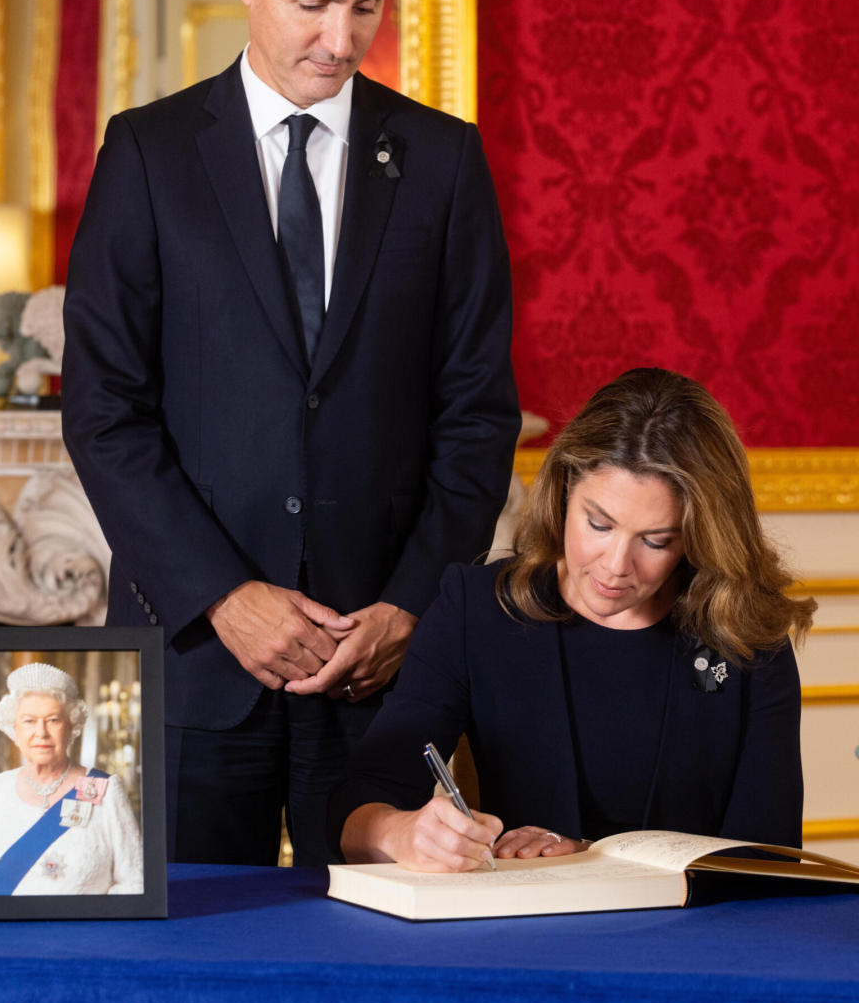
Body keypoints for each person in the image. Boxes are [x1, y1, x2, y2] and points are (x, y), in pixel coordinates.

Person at [61, 0, 519, 866]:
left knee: (383, 978)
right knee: (173, 967)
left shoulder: (443, 163)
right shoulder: (146, 154)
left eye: (367, 7)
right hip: (189, 660)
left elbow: (478, 412)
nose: (340, 38)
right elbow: (103, 409)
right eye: (313, 2)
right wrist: (225, 594)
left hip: (381, 668)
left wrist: (410, 604)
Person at [331, 368, 815, 871]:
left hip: (693, 939)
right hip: (523, 935)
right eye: (598, 524)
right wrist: (400, 833)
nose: (615, 565)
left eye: (655, 541)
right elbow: (358, 799)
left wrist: (588, 859)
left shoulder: (748, 633)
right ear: (564, 490)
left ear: (698, 535)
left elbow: (768, 856)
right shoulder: (475, 609)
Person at [0, 663, 143, 896]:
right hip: (3, 930)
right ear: (14, 730)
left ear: (72, 728)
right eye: (29, 721)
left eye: (53, 720)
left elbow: (134, 883)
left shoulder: (104, 789)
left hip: (83, 931)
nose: (41, 732)